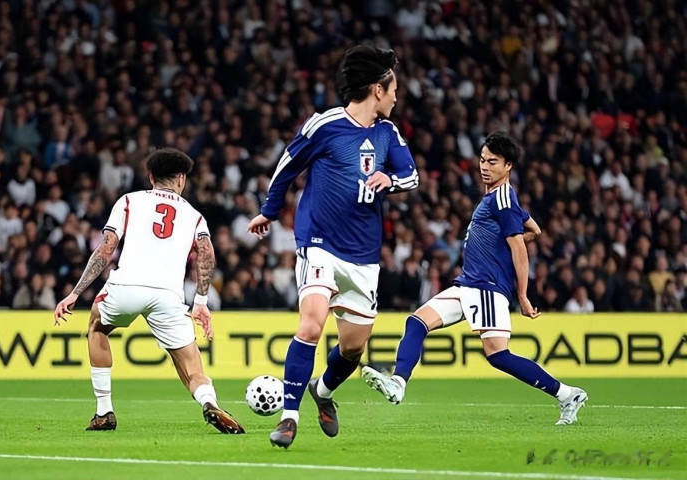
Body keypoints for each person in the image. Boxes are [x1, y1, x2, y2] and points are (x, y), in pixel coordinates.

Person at [247, 45, 419, 448]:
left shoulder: (388, 133)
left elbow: (411, 175)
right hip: (319, 242)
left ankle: (322, 391)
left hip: (364, 255)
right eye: (394, 89)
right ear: (377, 89)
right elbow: (287, 166)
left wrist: (390, 180)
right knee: (311, 324)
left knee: (353, 347)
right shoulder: (325, 125)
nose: (397, 97)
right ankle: (289, 419)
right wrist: (269, 211)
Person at [361, 131, 588, 426]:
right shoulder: (498, 198)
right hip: (468, 283)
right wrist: (511, 239)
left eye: (493, 162)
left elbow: (519, 247)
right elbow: (535, 230)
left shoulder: (502, 197)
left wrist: (522, 294)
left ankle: (567, 394)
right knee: (416, 322)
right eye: (482, 160)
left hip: (487, 287)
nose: (485, 167)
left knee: (497, 354)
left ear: (508, 165)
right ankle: (398, 383)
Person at [53, 148, 244, 434]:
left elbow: (106, 248)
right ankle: (209, 402)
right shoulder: (195, 216)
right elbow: (207, 253)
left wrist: (75, 293)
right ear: (181, 179)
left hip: (126, 287)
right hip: (169, 295)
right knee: (192, 367)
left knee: (97, 326)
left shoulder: (129, 201)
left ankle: (104, 411)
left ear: (150, 176)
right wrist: (201, 301)